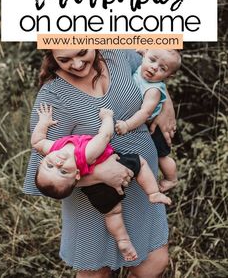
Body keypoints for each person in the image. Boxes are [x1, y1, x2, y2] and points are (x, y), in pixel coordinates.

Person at [23, 49, 176, 278]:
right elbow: (43, 175)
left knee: (153, 264)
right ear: (51, 55)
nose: (76, 64)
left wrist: (166, 106)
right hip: (93, 200)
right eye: (63, 59)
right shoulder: (53, 96)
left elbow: (155, 72)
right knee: (97, 273)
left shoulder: (117, 54)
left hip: (141, 189)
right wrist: (99, 174)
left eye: (82, 53)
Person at [31, 103, 171, 262]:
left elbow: (37, 142)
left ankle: (122, 240)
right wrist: (107, 117)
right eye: (63, 171)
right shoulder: (86, 153)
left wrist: (43, 122)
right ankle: (153, 193)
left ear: (42, 162)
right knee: (140, 163)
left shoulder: (53, 149)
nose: (58, 164)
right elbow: (105, 135)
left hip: (94, 190)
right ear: (77, 175)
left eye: (50, 165)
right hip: (115, 165)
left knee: (112, 212)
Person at [116, 49, 181, 192]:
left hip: (153, 126)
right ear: (144, 55)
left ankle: (172, 179)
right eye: (152, 60)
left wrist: (127, 125)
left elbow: (145, 113)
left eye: (162, 68)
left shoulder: (154, 89)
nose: (154, 67)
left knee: (161, 156)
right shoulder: (141, 69)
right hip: (141, 121)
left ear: (169, 76)